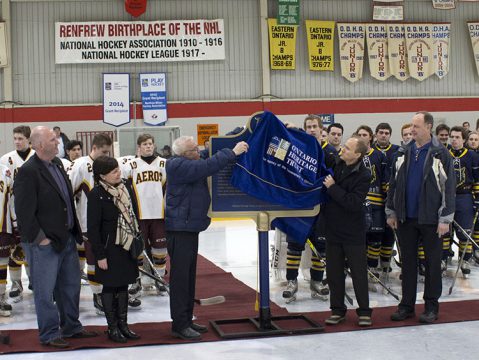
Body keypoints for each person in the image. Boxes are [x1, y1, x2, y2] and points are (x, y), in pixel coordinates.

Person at [13, 126, 97, 348]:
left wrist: (75, 231)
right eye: (53, 139)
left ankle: (71, 326)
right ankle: (49, 333)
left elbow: (67, 200)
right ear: (40, 145)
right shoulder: (28, 172)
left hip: (66, 237)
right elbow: (23, 212)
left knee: (70, 286)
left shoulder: (58, 164)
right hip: (44, 243)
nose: (58, 142)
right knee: (44, 291)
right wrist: (41, 238)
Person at [165, 135, 248, 340]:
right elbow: (206, 166)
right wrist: (232, 152)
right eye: (195, 150)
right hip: (179, 229)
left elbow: (205, 158)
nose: (199, 152)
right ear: (185, 154)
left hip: (189, 227)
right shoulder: (177, 165)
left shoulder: (189, 159)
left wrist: (241, 133)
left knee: (189, 278)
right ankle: (179, 325)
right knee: (180, 280)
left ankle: (186, 320)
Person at [387, 111, 455, 324]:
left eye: (416, 126)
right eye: (411, 126)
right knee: (407, 264)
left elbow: (449, 188)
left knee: (433, 265)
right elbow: (393, 185)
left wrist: (445, 219)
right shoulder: (403, 152)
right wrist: (392, 211)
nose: (412, 130)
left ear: (428, 127)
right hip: (406, 218)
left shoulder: (440, 153)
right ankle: (406, 306)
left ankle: (431, 307)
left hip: (432, 220)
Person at [69, 133, 127, 314]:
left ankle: (111, 293)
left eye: (108, 152)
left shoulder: (110, 165)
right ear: (93, 148)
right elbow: (69, 193)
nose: (107, 155)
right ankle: (97, 295)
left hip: (110, 224)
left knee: (110, 260)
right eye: (103, 151)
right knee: (93, 261)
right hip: (88, 224)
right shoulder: (80, 165)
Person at [282, 114, 335, 303]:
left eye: (315, 126)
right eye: (308, 127)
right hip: (299, 206)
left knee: (320, 247)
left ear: (322, 130)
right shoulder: (297, 149)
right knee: (294, 246)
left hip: (321, 207)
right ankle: (291, 282)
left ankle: (317, 282)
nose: (312, 129)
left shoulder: (330, 153)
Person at [87, 156, 140, 343]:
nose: (119, 173)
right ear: (102, 175)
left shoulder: (126, 188)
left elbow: (134, 216)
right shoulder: (96, 195)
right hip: (108, 250)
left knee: (124, 284)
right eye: (114, 172)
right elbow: (93, 229)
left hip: (126, 247)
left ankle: (124, 325)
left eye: (118, 169)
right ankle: (112, 328)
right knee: (110, 286)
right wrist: (100, 255)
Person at [322, 136, 372, 327]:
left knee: (359, 274)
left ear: (357, 155)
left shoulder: (364, 175)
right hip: (333, 229)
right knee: (334, 274)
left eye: (347, 148)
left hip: (353, 232)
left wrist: (333, 188)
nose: (342, 150)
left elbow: (353, 203)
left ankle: (365, 312)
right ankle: (337, 310)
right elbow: (318, 151)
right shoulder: (336, 164)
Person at [123, 134, 168, 297]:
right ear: (139, 147)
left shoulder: (164, 163)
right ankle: (137, 280)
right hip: (138, 215)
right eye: (144, 144)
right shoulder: (131, 165)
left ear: (154, 146)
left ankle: (160, 279)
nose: (148, 146)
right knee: (138, 250)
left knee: (160, 249)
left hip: (159, 214)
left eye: (150, 144)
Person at [0, 125, 35, 302]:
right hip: (13, 211)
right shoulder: (6, 159)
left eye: (20, 138)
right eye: (15, 138)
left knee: (33, 249)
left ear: (29, 139)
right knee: (15, 250)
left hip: (35, 212)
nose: (17, 142)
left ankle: (35, 281)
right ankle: (16, 283)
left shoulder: (37, 157)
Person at [441, 126, 479, 276]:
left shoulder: (472, 156)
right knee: (444, 231)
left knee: (465, 231)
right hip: (447, 196)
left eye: (458, 137)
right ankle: (442, 259)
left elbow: (477, 179)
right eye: (453, 137)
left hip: (465, 196)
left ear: (464, 139)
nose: (454, 140)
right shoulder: (444, 154)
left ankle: (465, 259)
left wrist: (477, 199)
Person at [355, 125, 388, 285]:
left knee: (375, 239)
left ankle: (373, 268)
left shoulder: (380, 156)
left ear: (370, 137)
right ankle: (360, 269)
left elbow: (384, 179)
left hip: (377, 204)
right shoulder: (353, 155)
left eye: (365, 134)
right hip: (358, 205)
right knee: (360, 239)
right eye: (359, 134)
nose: (362, 137)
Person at [373, 123, 400, 277]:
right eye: (381, 132)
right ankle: (373, 262)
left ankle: (385, 261)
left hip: (392, 199)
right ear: (376, 134)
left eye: (387, 133)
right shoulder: (369, 151)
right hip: (374, 199)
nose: (384, 135)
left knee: (389, 232)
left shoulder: (396, 151)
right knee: (375, 233)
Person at [0, 164, 14, 317]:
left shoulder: (5, 170)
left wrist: (15, 226)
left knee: (2, 264)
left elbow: (11, 202)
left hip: (3, 227)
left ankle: (0, 297)